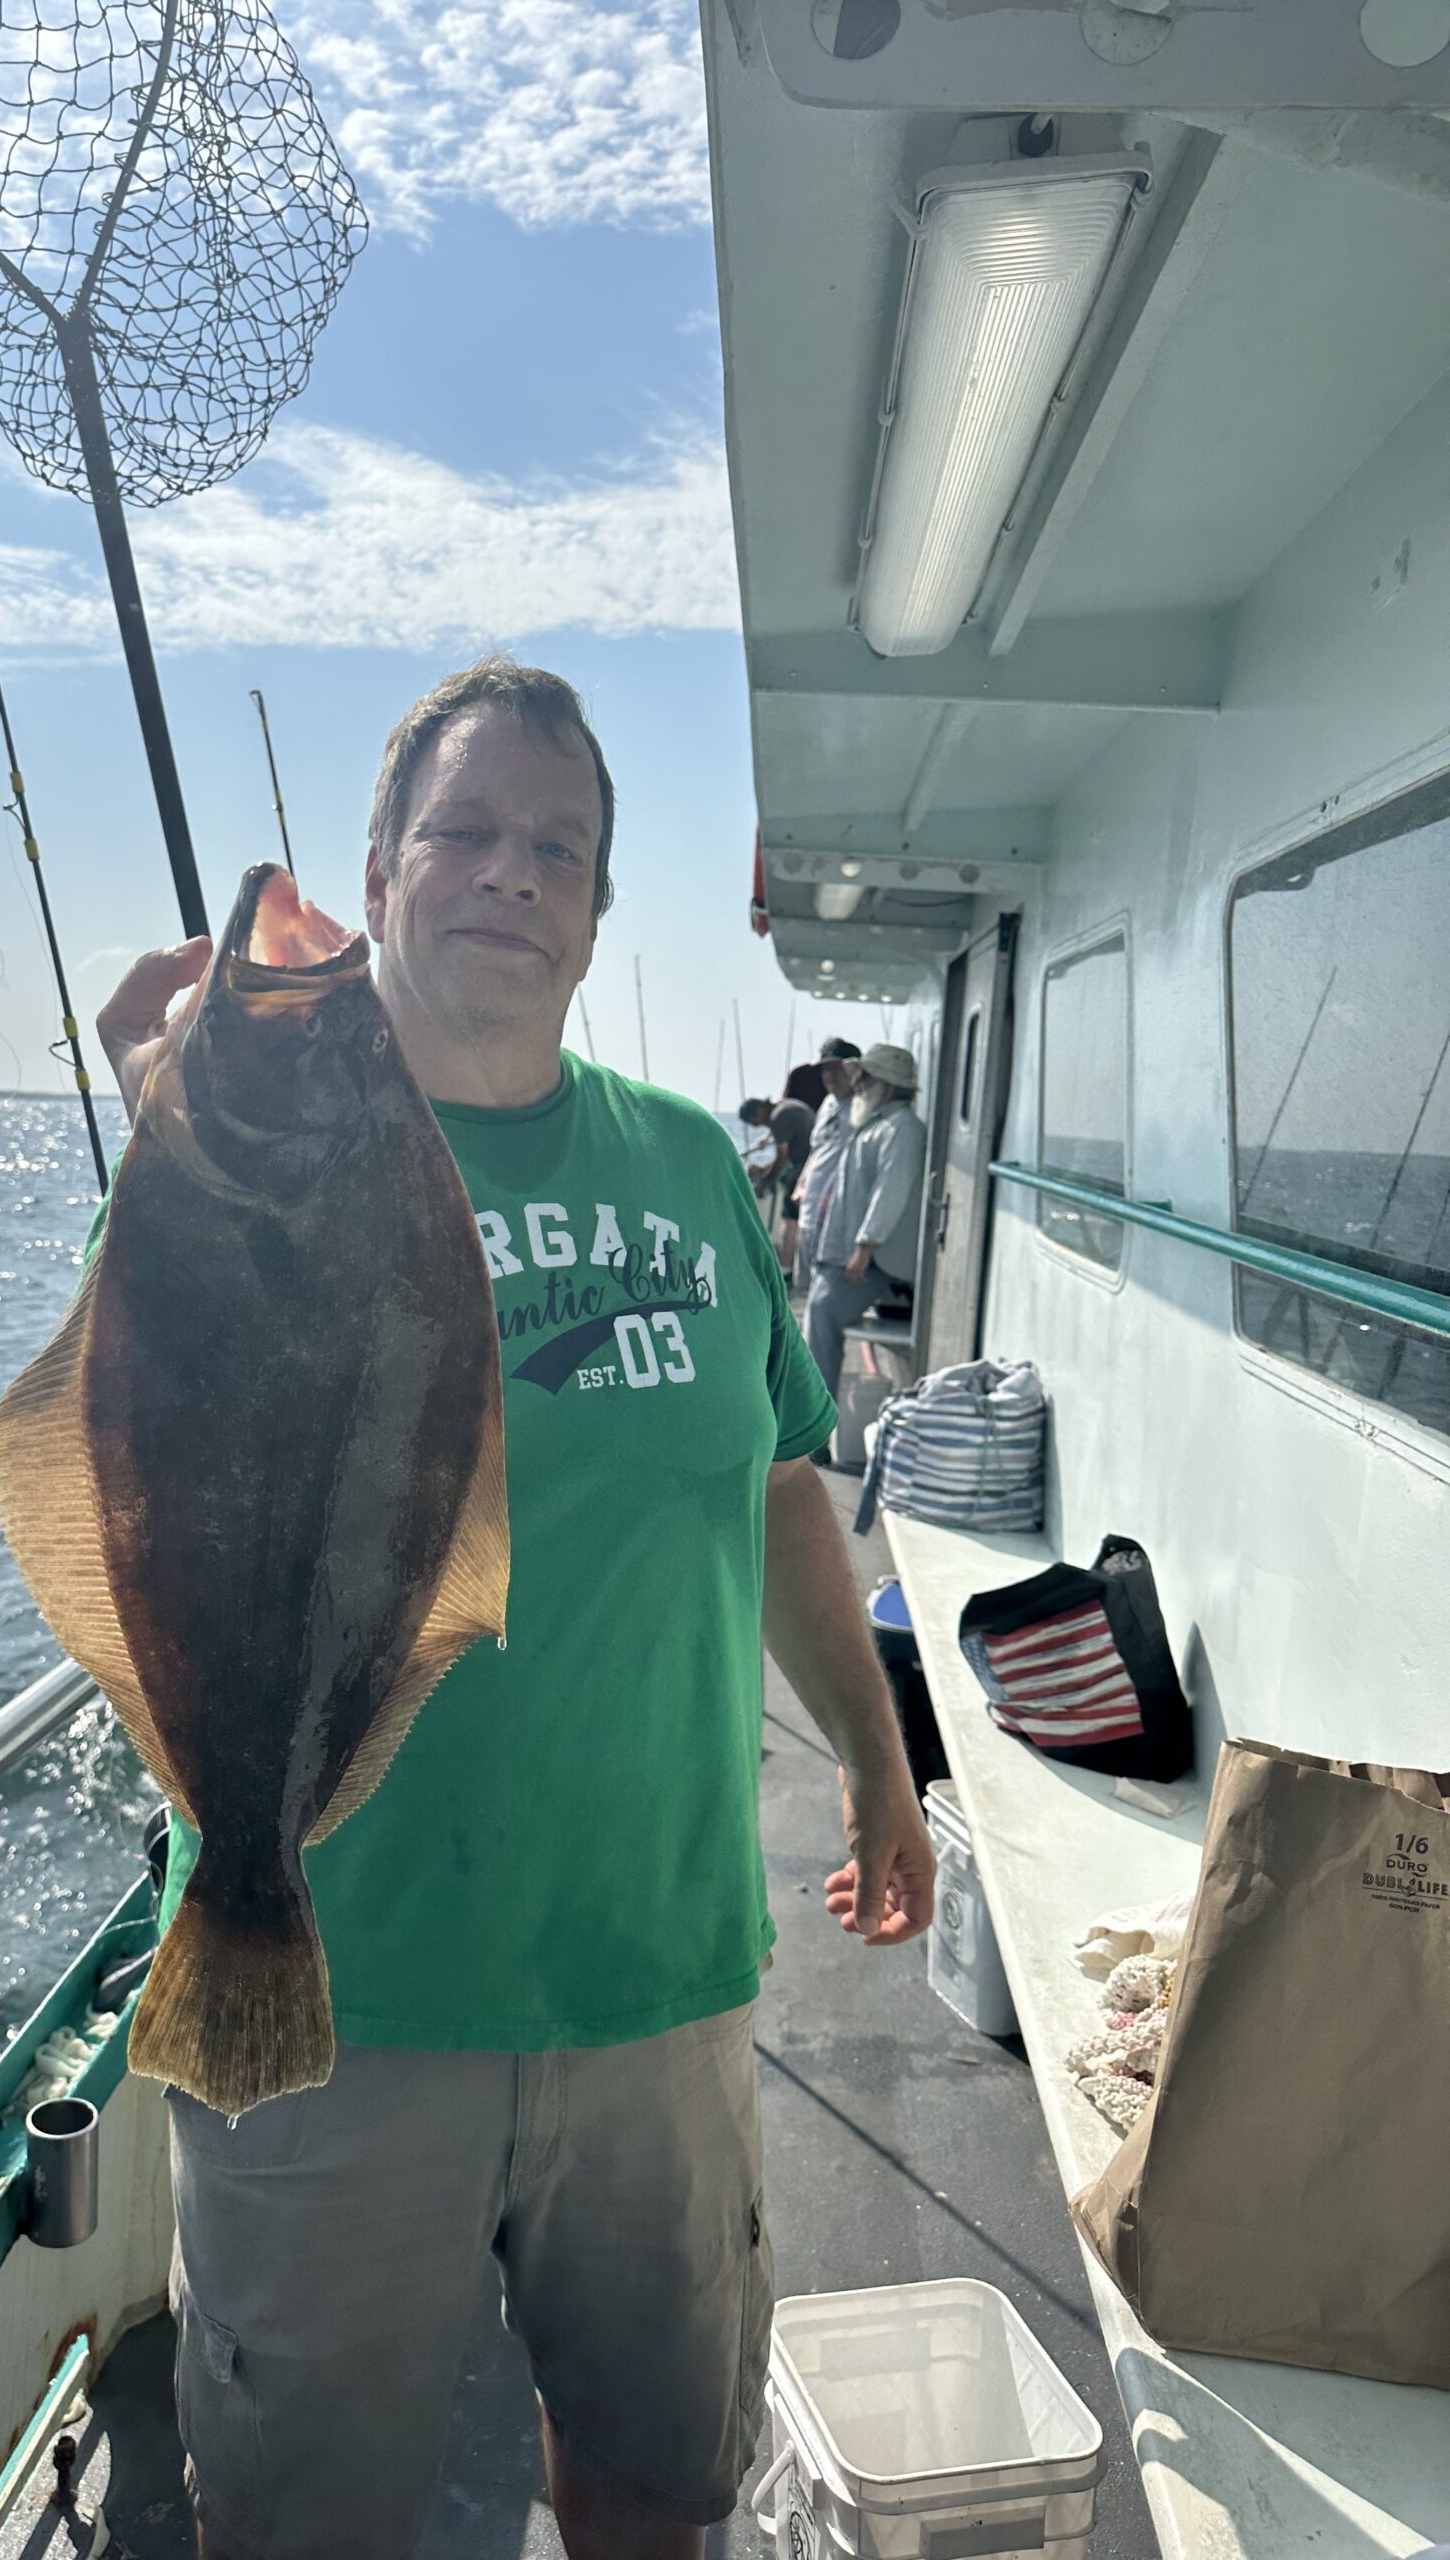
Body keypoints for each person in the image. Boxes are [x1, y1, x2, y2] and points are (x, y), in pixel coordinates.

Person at [93, 659, 936, 2560]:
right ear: (382, 865)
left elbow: (784, 1482)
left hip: (661, 1977)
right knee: (307, 2520)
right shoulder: (234, 1150)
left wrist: (883, 1772)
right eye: (464, 831)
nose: (511, 871)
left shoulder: (695, 1170)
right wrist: (169, 1127)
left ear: (600, 906)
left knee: (654, 2473)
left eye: (558, 846)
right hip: (327, 1993)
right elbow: (133, 1434)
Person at [804, 1043, 928, 1400]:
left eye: (865, 1076)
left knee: (822, 1315)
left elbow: (891, 1191)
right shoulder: (876, 1124)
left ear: (887, 1083)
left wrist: (864, 1246)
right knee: (816, 1317)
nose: (856, 1084)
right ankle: (811, 1418)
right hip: (844, 1253)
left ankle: (814, 1425)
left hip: (871, 1261)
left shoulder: (902, 1128)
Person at [790, 1038, 863, 1290]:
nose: (829, 1076)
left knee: (827, 1290)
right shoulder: (828, 1104)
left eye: (835, 1068)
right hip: (810, 1211)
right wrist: (801, 1183)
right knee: (806, 1289)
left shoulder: (864, 1106)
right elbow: (817, 1149)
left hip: (837, 1218)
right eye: (824, 1069)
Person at [737, 1067, 819, 1267]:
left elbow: (781, 1158)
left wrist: (764, 1183)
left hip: (805, 1168)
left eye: (754, 1122)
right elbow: (785, 1153)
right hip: (813, 1164)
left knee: (789, 1217)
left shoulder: (778, 1118)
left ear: (758, 1111)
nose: (758, 1126)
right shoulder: (786, 1106)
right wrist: (763, 1168)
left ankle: (786, 1266)